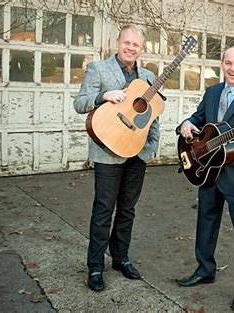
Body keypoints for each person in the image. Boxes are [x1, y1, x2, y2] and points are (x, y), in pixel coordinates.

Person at [176, 47, 234, 311]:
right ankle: (205, 270)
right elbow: (199, 119)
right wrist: (186, 122)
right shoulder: (212, 92)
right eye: (228, 63)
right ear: (222, 64)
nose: (233, 68)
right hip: (207, 171)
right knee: (205, 223)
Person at [73, 25, 159, 292]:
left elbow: (152, 116)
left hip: (137, 151)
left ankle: (120, 257)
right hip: (107, 151)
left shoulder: (148, 76)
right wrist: (103, 96)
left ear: (142, 49)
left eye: (136, 45)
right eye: (127, 42)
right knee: (103, 210)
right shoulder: (98, 69)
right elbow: (80, 103)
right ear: (118, 42)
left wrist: (151, 148)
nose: (131, 48)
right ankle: (96, 266)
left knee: (127, 210)